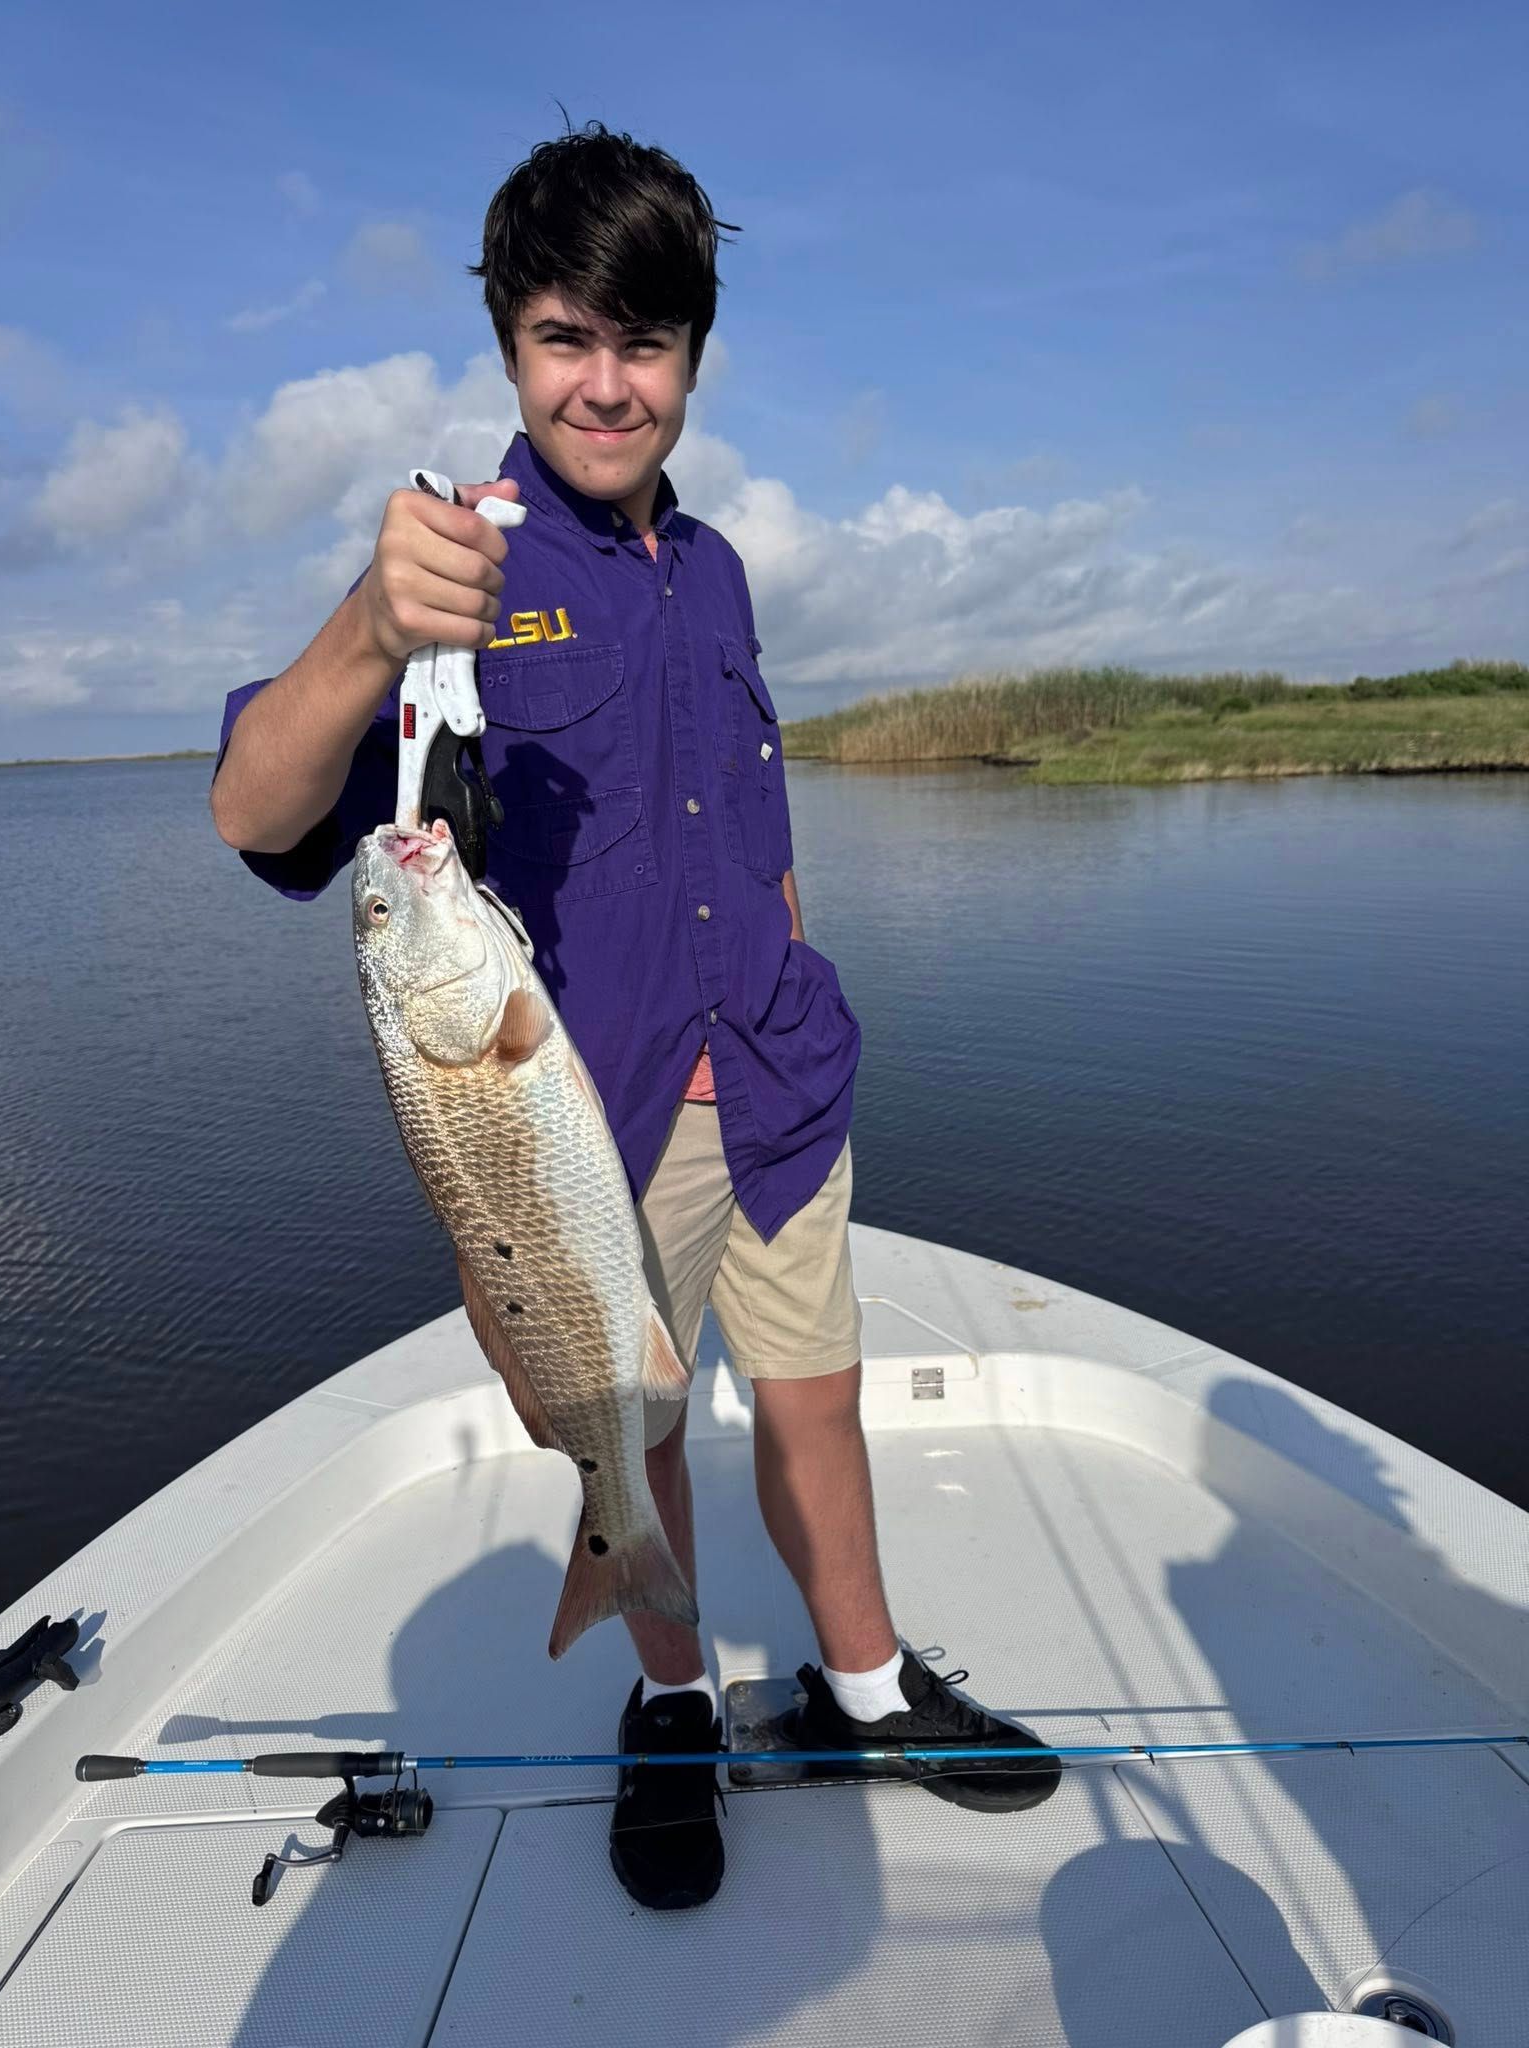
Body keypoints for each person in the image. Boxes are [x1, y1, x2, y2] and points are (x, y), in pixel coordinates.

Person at [210, 121, 1060, 1912]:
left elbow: (756, 831)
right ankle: (669, 1704)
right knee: (644, 1433)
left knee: (820, 1405)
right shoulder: (455, 564)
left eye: (645, 344)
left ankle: (867, 1686)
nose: (608, 386)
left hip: (776, 1076)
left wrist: (798, 969)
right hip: (585, 1128)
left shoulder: (733, 570)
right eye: (564, 339)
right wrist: (370, 625)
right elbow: (256, 811)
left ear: (695, 356)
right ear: (510, 344)